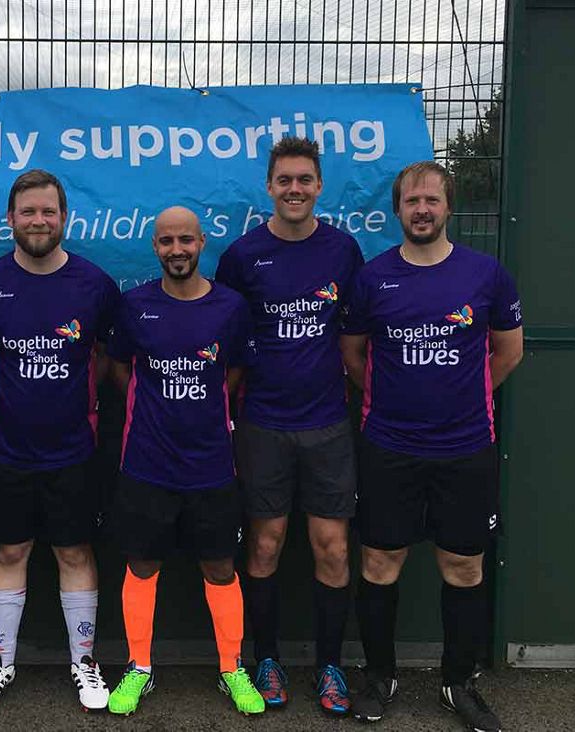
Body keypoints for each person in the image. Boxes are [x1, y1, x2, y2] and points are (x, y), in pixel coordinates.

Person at [339, 162, 523, 732]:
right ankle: (379, 677)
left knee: (463, 565)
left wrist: (463, 395)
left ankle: (457, 682)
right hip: (389, 446)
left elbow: (508, 351)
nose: (422, 209)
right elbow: (353, 356)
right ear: (398, 210)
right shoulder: (372, 279)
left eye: (432, 200)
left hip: (466, 447)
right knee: (378, 560)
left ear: (449, 208)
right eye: (412, 200)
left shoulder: (486, 275)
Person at [215, 136, 364, 713]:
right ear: (270, 187)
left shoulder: (343, 251)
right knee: (266, 543)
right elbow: (223, 336)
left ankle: (330, 665)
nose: (295, 189)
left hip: (328, 423)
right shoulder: (243, 256)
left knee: (331, 546)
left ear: (319, 186)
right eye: (285, 180)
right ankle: (266, 659)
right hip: (263, 424)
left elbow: (354, 334)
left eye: (305, 179)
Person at [0, 170, 119, 711]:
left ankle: (85, 663)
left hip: (74, 448)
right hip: (6, 447)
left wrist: (71, 394)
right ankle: (0, 662)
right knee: (10, 549)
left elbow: (100, 357)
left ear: (64, 217)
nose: (38, 221)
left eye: (48, 211)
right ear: (10, 218)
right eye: (28, 212)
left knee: (75, 550)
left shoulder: (95, 285)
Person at [105, 206, 265, 717]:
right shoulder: (134, 307)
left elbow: (234, 372)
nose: (177, 250)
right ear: (155, 247)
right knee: (142, 564)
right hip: (147, 464)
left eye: (186, 241)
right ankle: (139, 668)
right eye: (167, 241)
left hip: (212, 467)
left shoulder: (231, 307)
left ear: (202, 243)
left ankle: (231, 668)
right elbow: (120, 369)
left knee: (220, 568)